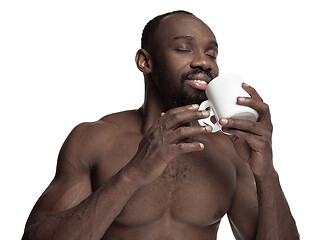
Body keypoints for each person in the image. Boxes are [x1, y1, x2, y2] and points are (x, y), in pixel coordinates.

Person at [22, 10, 299, 240]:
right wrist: (133, 172)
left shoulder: (230, 152)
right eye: (184, 48)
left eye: (212, 54)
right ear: (146, 61)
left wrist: (265, 173)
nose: (205, 62)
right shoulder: (93, 140)